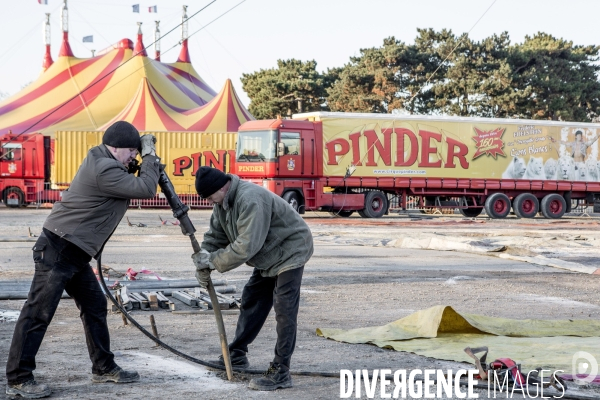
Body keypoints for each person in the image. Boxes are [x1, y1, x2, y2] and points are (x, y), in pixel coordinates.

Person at [5, 121, 161, 399]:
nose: (134, 157)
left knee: (94, 305)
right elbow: (147, 189)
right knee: (38, 312)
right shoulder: (104, 168)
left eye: (137, 152)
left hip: (74, 252)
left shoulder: (104, 159)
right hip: (60, 249)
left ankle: (103, 367)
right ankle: (18, 378)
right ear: (115, 148)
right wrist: (150, 157)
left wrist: (139, 160)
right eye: (131, 151)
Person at [192, 166, 313, 391]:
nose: (210, 202)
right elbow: (216, 236)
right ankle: (237, 354)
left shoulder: (250, 199)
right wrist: (204, 258)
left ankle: (281, 371)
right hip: (269, 253)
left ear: (221, 188)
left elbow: (246, 246)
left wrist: (213, 262)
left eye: (210, 197)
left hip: (290, 249)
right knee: (253, 298)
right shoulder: (223, 203)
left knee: (284, 308)